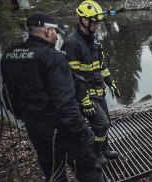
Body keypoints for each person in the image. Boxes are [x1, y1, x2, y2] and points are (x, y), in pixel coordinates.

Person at [0, 12, 121, 182]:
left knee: (53, 171)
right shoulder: (52, 57)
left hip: (35, 127)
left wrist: (26, 117)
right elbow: (65, 102)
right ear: (47, 30)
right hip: (61, 126)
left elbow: (7, 97)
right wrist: (80, 130)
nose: (57, 36)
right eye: (55, 32)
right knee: (84, 165)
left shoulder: (9, 55)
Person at [61, 0, 119, 165]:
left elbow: (100, 66)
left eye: (98, 21)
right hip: (86, 96)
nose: (97, 25)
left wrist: (110, 82)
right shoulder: (72, 43)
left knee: (105, 122)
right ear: (83, 20)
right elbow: (71, 76)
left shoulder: (94, 40)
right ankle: (94, 155)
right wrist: (84, 99)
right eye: (94, 21)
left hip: (98, 90)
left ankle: (104, 149)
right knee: (101, 124)